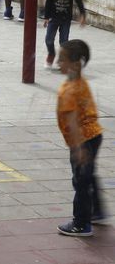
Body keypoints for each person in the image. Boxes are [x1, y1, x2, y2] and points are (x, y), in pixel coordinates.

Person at [54, 39, 106, 237]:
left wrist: (79, 148)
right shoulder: (78, 81)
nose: (59, 63)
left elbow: (73, 123)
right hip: (94, 135)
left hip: (82, 140)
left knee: (80, 181)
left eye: (62, 60)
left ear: (75, 64)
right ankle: (97, 212)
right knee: (88, 176)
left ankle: (81, 223)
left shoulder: (70, 90)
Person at [44, 0, 86, 69]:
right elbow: (48, 2)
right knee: (48, 40)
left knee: (64, 42)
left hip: (66, 19)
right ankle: (51, 54)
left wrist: (82, 15)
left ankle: (61, 60)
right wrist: (46, 17)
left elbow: (78, 1)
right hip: (53, 18)